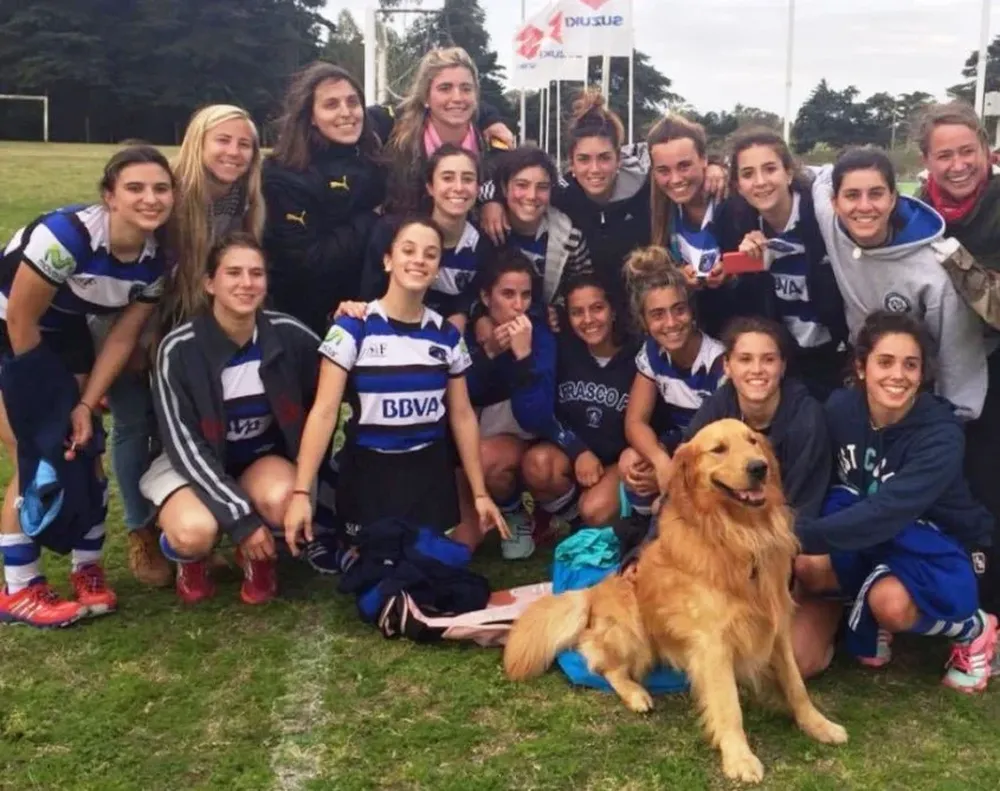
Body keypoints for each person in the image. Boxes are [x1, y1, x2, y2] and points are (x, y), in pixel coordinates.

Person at [0, 144, 175, 626]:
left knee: (87, 447)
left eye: (161, 188)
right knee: (38, 454)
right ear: (109, 196)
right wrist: (48, 410)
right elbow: (20, 319)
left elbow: (122, 336)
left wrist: (85, 402)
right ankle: (19, 588)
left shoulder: (159, 258)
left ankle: (88, 570)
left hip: (63, 334)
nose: (150, 199)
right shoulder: (67, 237)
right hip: (11, 332)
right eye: (135, 188)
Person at [792, 311, 997, 694]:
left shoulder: (940, 433)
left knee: (890, 603)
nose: (897, 375)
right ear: (861, 366)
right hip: (877, 535)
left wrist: (796, 536)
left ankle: (976, 628)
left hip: (942, 541)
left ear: (923, 374)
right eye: (884, 362)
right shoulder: (840, 410)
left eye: (910, 364)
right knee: (810, 564)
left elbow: (889, 512)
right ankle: (868, 607)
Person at [283, 217, 507, 554]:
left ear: (437, 269)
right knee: (379, 574)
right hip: (370, 469)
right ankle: (332, 520)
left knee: (441, 565)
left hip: (427, 470)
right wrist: (301, 493)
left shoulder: (446, 336)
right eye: (408, 250)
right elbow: (324, 412)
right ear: (388, 260)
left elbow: (461, 416)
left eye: (430, 255)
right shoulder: (352, 327)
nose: (419, 259)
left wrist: (479, 493)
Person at [113, 104, 267, 587]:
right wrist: (139, 338)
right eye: (223, 140)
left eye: (244, 143)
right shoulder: (171, 195)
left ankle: (195, 521)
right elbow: (131, 268)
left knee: (188, 426)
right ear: (197, 142)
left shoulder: (246, 200)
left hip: (194, 327)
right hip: (136, 321)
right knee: (136, 422)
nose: (234, 152)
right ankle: (141, 528)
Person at [141, 233, 321, 605]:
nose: (246, 283)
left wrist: (359, 317)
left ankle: (257, 559)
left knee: (287, 498)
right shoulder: (178, 349)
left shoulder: (289, 334)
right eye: (233, 273)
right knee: (194, 531)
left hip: (259, 459)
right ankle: (189, 557)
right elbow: (185, 447)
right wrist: (242, 520)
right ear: (210, 283)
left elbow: (336, 382)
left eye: (256, 274)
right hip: (192, 462)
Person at [811, 147, 987, 421]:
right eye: (852, 195)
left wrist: (955, 418)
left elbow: (958, 355)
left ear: (893, 198)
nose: (865, 206)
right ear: (835, 203)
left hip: (913, 388)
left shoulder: (933, 271)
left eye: (877, 194)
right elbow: (818, 175)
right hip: (860, 375)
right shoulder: (829, 220)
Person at [915, 101, 1000, 612]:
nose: (959, 165)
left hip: (992, 359)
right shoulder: (913, 212)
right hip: (930, 365)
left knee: (987, 484)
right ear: (927, 160)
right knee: (938, 482)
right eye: (944, 155)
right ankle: (937, 599)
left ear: (987, 151)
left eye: (968, 151)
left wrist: (956, 262)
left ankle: (989, 611)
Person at [262, 63, 386, 336]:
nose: (346, 112)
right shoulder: (284, 175)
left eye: (353, 102)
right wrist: (375, 218)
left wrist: (489, 119)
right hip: (307, 319)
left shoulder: (371, 145)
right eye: (331, 104)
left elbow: (426, 101)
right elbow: (307, 260)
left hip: (373, 311)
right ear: (311, 116)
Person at [727, 127, 848, 401]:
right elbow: (746, 304)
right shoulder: (740, 224)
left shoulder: (821, 217)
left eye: (770, 169)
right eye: (748, 174)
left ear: (789, 173)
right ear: (737, 185)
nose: (760, 181)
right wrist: (750, 269)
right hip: (788, 359)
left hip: (838, 354)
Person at [456, 249, 559, 560]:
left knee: (493, 458)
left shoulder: (540, 336)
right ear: (487, 298)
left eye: (526, 295)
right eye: (508, 294)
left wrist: (523, 358)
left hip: (532, 440)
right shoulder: (474, 333)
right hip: (483, 437)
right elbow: (462, 393)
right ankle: (505, 510)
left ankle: (532, 514)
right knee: (463, 545)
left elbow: (536, 418)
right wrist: (489, 353)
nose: (518, 305)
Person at [521, 275, 637, 529]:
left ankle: (615, 521)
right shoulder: (562, 349)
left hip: (619, 461)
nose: (588, 320)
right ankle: (576, 522)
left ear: (613, 310)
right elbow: (541, 412)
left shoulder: (638, 355)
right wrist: (576, 449)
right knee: (538, 464)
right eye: (577, 312)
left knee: (595, 509)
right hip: (574, 455)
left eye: (597, 308)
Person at [684, 316, 831, 517]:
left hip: (785, 531)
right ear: (727, 365)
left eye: (769, 359)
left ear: (783, 366)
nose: (757, 370)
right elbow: (682, 480)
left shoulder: (807, 419)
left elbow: (803, 510)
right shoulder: (717, 407)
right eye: (745, 359)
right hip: (724, 525)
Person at [618, 246, 726, 514]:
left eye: (679, 310)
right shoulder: (652, 353)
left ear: (692, 313)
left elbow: (723, 442)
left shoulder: (718, 362)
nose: (671, 322)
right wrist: (660, 462)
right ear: (644, 322)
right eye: (657, 314)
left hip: (715, 452)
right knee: (631, 461)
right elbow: (634, 421)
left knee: (663, 506)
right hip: (680, 445)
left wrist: (674, 475)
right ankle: (648, 527)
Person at [646, 114, 767, 339]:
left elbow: (763, 278)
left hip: (746, 339)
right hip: (694, 339)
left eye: (684, 166)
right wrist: (678, 276)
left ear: (704, 159)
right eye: (663, 170)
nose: (675, 179)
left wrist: (732, 274)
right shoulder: (657, 211)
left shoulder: (737, 205)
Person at [359, 143, 491, 329]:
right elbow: (369, 294)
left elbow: (475, 297)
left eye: (468, 179)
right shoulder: (392, 232)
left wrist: (463, 312)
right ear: (430, 186)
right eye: (447, 178)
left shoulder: (483, 244)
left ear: (478, 188)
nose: (459, 187)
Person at [383, 46, 511, 215]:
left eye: (466, 89)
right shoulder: (398, 149)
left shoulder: (494, 149)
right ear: (426, 97)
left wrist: (494, 199)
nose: (457, 98)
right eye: (445, 88)